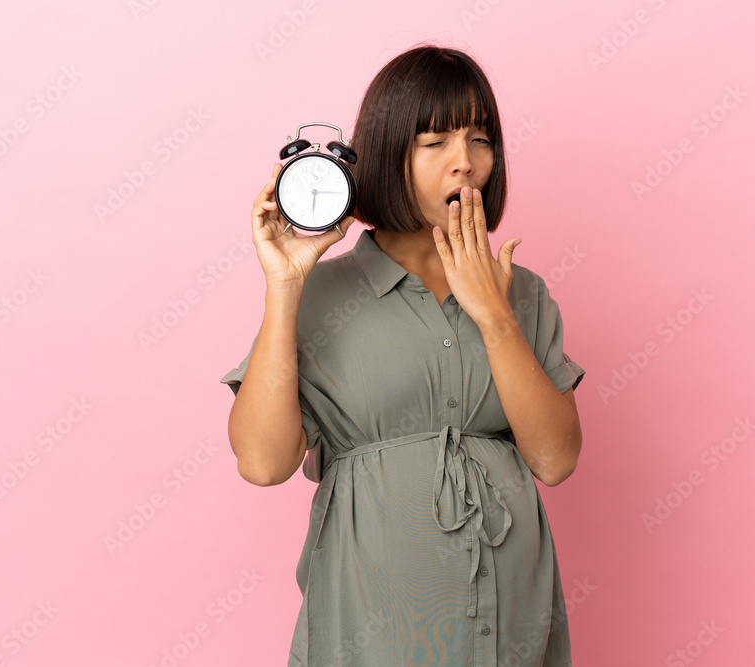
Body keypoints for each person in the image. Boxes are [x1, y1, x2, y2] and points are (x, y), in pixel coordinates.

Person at [221, 44, 584, 666]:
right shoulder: (321, 296)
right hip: (373, 626)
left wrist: (494, 317)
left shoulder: (522, 293)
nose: (464, 164)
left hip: (511, 619)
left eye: (479, 139)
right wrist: (285, 288)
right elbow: (261, 462)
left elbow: (554, 460)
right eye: (435, 141)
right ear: (391, 152)